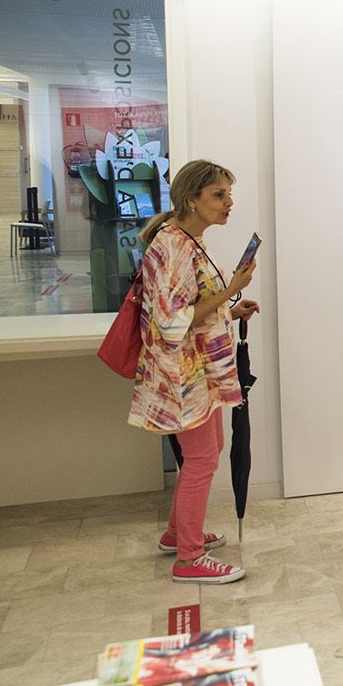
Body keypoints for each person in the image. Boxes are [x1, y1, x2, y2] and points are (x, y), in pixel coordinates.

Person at [131, 159, 259, 584]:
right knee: (203, 456)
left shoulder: (186, 241)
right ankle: (188, 558)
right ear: (192, 200)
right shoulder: (172, 246)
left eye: (228, 193)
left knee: (207, 450)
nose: (229, 203)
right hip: (182, 372)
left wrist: (230, 307)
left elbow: (192, 305)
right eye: (219, 195)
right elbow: (172, 321)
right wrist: (232, 290)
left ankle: (176, 534)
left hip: (199, 368)